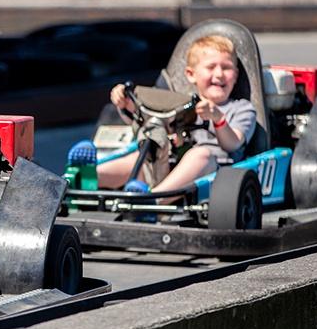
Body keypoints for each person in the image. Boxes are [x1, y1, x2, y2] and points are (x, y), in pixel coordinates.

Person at [96, 35, 257, 203]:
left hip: (217, 172)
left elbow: (233, 143)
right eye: (211, 67)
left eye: (226, 67)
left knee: (200, 154)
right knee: (147, 150)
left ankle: (151, 201)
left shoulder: (242, 108)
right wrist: (125, 103)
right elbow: (147, 122)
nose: (219, 74)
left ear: (236, 75)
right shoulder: (179, 104)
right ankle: (86, 178)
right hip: (171, 167)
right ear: (191, 74)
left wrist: (218, 118)